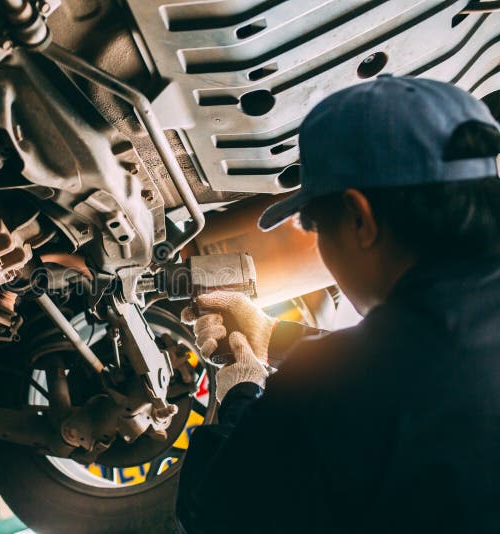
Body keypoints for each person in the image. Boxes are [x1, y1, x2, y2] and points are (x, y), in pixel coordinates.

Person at [176, 76, 500, 534]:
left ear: (359, 219)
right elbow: (421, 358)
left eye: (318, 231)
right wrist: (274, 337)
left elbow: (215, 516)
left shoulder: (333, 392)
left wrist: (239, 395)